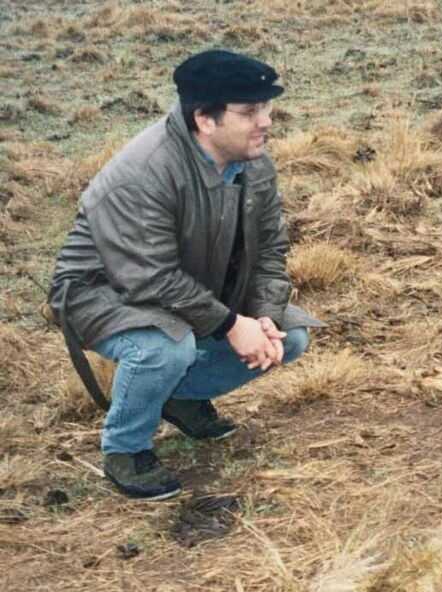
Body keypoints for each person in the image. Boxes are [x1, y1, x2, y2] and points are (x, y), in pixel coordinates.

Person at [49, 49, 321, 501]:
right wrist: (232, 324)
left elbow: (271, 248)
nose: (266, 121)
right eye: (250, 111)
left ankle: (177, 397)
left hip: (189, 284)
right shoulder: (144, 172)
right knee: (164, 349)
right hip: (102, 293)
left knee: (290, 337)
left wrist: (266, 315)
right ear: (206, 120)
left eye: (267, 107)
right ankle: (126, 448)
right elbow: (148, 277)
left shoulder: (255, 163)